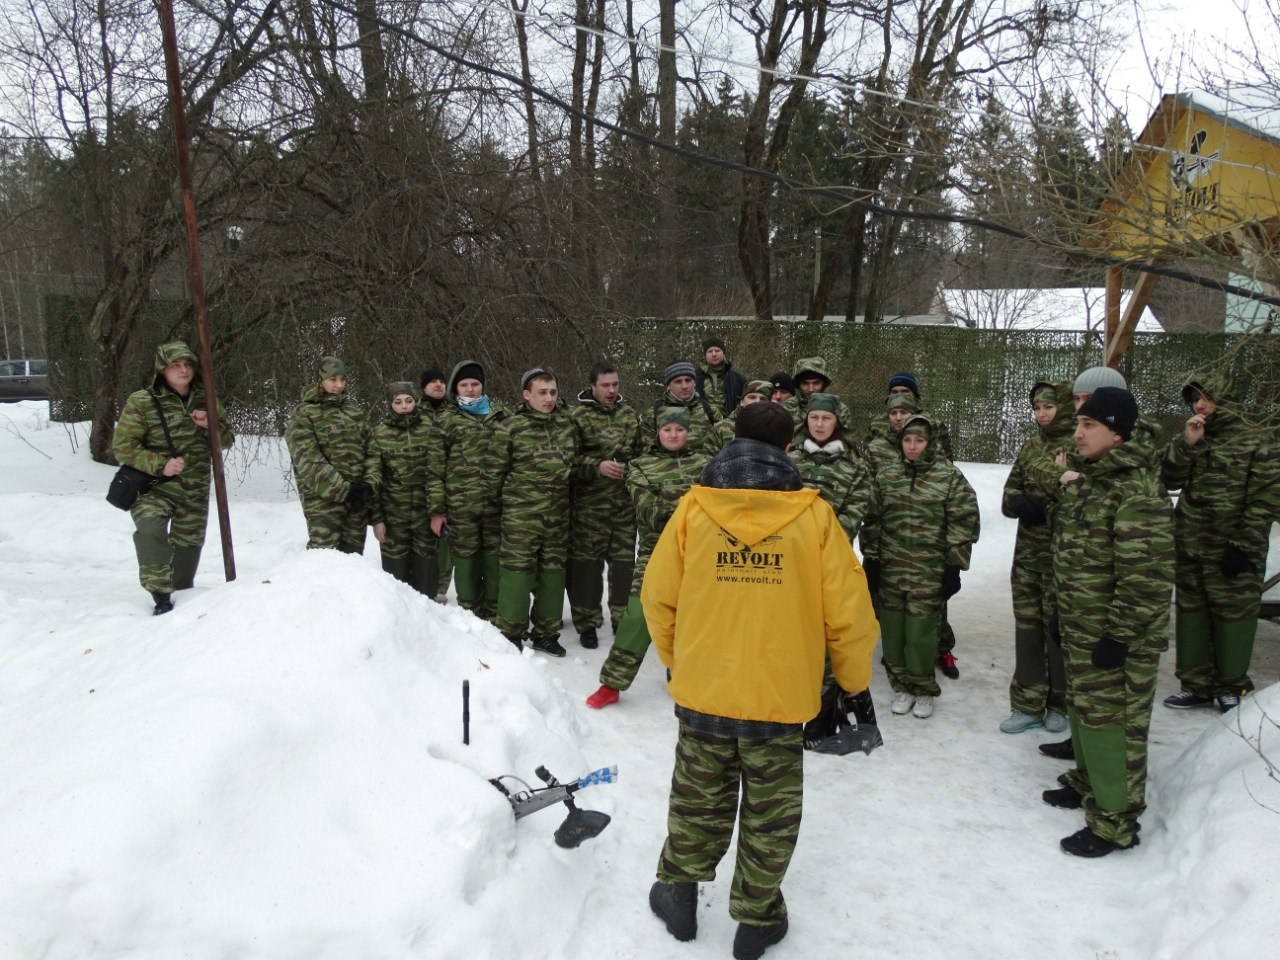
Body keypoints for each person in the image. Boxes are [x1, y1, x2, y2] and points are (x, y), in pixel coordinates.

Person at [643, 402, 878, 960]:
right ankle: (757, 918)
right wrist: (852, 680)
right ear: (789, 448)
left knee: (698, 797)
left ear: (732, 439)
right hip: (780, 694)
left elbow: (657, 596)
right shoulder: (815, 517)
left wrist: (680, 659)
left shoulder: (694, 508)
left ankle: (679, 895)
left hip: (706, 688)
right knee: (771, 812)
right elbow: (848, 612)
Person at [1045, 387, 1173, 857]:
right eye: (1078, 424)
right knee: (1085, 712)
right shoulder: (1093, 481)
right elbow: (1073, 555)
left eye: (1089, 425)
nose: (1077, 433)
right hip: (1083, 627)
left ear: (1117, 434)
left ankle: (1115, 821)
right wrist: (1060, 611)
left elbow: (1147, 576)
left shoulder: (1136, 490)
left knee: (1114, 725)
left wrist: (1119, 635)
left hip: (1116, 636)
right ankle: (1089, 783)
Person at [1161, 371, 1280, 713]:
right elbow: (1167, 478)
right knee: (1192, 615)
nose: (1200, 405)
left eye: (1207, 397)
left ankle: (1231, 685)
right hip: (1191, 545)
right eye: (1195, 399)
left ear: (1226, 398)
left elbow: (1267, 496)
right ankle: (1195, 684)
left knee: (1234, 616)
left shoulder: (1257, 439)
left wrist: (1242, 544)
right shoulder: (1193, 436)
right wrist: (1186, 445)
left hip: (1234, 548)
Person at [860, 411, 980, 719]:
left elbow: (963, 521)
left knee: (921, 634)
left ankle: (924, 689)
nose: (913, 446)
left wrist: (954, 566)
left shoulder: (948, 477)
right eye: (908, 440)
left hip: (929, 571)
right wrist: (871, 560)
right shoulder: (886, 476)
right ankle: (901, 685)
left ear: (931, 443)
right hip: (891, 569)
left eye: (920, 441)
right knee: (893, 631)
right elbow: (872, 520)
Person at [587, 407, 707, 708]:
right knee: (638, 616)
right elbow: (649, 512)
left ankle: (680, 674)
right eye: (668, 429)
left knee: (692, 617)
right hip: (656, 553)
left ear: (688, 432)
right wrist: (694, 508)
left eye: (680, 429)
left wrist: (683, 508)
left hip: (699, 553)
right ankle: (612, 683)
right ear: (658, 432)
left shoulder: (706, 464)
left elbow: (718, 507)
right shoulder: (641, 466)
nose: (673, 435)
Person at [112, 341, 234, 615]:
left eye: (188, 364)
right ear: (162, 370)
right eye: (175, 365)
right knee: (151, 529)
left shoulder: (207, 398)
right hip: (154, 487)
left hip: (194, 490)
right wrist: (160, 465)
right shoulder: (142, 401)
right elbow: (123, 446)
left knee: (187, 551)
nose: (183, 370)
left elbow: (226, 440)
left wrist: (210, 425)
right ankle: (160, 597)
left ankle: (180, 602)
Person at [998, 380, 1073, 734]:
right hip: (1028, 556)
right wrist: (1020, 502)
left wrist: (1047, 503)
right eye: (1037, 408)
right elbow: (1008, 494)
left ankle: (1060, 703)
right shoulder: (1031, 447)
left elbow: (1081, 499)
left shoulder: (1080, 445)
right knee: (1027, 629)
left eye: (1048, 407)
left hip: (1062, 558)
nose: (1041, 414)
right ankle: (1027, 703)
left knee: (1058, 631)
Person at [489, 367, 580, 656]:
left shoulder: (566, 427)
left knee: (552, 577)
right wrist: (503, 509)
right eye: (542, 392)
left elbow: (573, 466)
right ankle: (511, 632)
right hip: (521, 519)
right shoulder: (511, 428)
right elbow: (493, 474)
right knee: (517, 575)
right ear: (526, 395)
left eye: (553, 392)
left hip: (557, 518)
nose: (549, 398)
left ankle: (546, 634)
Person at [567, 363, 645, 648]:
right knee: (587, 569)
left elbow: (641, 454)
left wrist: (631, 470)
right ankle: (587, 623)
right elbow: (567, 460)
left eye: (615, 384)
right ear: (592, 386)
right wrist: (596, 466)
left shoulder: (629, 415)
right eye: (605, 385)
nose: (611, 390)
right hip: (589, 508)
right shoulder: (576, 417)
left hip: (623, 507)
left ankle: (621, 620)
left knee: (624, 568)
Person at [428, 360, 508, 619]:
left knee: (495, 562)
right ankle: (471, 616)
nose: (471, 389)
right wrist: (437, 511)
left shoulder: (501, 416)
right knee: (466, 564)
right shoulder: (446, 420)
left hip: (497, 508)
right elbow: (435, 470)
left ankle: (495, 616)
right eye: (464, 385)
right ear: (455, 389)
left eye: (475, 384)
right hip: (461, 509)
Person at [286, 357, 376, 553]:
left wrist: (369, 485)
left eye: (343, 380)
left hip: (357, 502)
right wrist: (345, 490)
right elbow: (308, 460)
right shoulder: (304, 414)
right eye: (333, 379)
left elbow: (372, 452)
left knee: (354, 561)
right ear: (320, 381)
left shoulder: (354, 413)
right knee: (324, 560)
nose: (339, 385)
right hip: (323, 502)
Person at [366, 382, 439, 596]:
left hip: (425, 518)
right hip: (393, 520)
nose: (404, 406)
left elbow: (440, 473)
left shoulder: (431, 429)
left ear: (416, 401)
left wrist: (439, 512)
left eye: (409, 401)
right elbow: (374, 478)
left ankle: (428, 615)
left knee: (426, 583)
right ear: (390, 404)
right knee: (396, 583)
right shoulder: (379, 434)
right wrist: (377, 519)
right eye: (398, 402)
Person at [789, 393, 875, 545]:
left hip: (830, 548)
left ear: (837, 422)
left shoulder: (855, 466)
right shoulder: (789, 458)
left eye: (826, 418)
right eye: (814, 417)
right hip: (788, 545)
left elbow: (855, 510)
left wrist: (826, 541)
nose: (819, 424)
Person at [419, 366, 452, 601]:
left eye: (441, 381)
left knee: (445, 540)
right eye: (433, 382)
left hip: (448, 485)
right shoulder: (414, 412)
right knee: (423, 541)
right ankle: (421, 587)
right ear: (424, 387)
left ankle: (441, 588)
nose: (438, 384)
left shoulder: (454, 412)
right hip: (419, 486)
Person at [646, 360, 718, 450]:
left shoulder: (709, 410)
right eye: (678, 381)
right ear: (668, 386)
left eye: (688, 380)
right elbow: (646, 450)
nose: (684, 386)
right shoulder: (654, 413)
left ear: (694, 383)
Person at [780, 357, 854, 440]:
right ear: (798, 385)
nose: (811, 389)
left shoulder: (839, 409)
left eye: (816, 383)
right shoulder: (786, 408)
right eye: (805, 383)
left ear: (824, 384)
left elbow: (846, 442)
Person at [864, 391, 920, 474]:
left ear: (913, 415)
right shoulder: (875, 448)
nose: (898, 418)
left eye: (903, 412)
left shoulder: (927, 446)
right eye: (893, 413)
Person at [707, 379, 773, 450]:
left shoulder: (774, 429)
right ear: (742, 401)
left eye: (763, 399)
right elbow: (706, 455)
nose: (757, 402)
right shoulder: (721, 428)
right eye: (752, 397)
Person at [695, 336, 749, 418]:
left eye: (717, 351)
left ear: (723, 353)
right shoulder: (694, 377)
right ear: (705, 355)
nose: (714, 354)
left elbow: (747, 403)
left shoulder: (739, 379)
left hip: (731, 423)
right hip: (701, 422)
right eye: (710, 351)